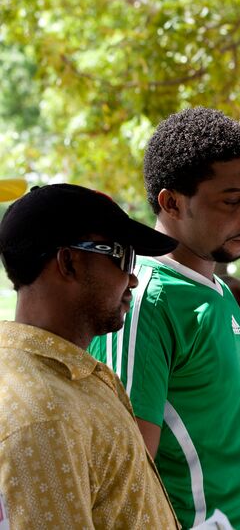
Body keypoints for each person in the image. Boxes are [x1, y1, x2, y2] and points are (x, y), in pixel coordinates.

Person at [88, 107, 240, 530]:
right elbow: (126, 473)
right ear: (172, 202)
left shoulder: (217, 291)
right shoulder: (145, 302)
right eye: (232, 199)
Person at [0, 183, 179, 528]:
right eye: (123, 258)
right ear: (69, 262)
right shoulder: (44, 416)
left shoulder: (65, 378)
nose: (133, 280)